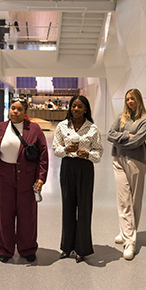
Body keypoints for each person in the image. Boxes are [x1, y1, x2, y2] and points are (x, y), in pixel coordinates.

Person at [0, 97, 48, 263]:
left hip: (28, 176)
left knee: (27, 214)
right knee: (5, 213)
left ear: (25, 113)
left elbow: (43, 155)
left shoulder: (35, 129)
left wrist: (41, 178)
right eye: (12, 108)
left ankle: (27, 248)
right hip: (4, 176)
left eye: (19, 109)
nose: (15, 112)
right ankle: (5, 249)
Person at [52, 95, 103, 263]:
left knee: (84, 208)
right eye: (73, 106)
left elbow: (98, 153)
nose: (76, 109)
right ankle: (67, 247)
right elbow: (55, 149)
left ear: (86, 109)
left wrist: (87, 154)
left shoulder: (92, 128)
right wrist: (66, 149)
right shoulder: (62, 126)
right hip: (67, 167)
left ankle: (82, 249)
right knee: (68, 206)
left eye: (80, 106)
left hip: (85, 168)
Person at [108, 89, 146, 260]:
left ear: (139, 100)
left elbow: (138, 142)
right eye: (127, 99)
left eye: (132, 98)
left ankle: (128, 233)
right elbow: (109, 135)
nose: (129, 101)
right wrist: (127, 135)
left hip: (136, 161)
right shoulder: (122, 116)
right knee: (123, 199)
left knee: (134, 199)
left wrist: (120, 140)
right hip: (118, 159)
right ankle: (129, 240)